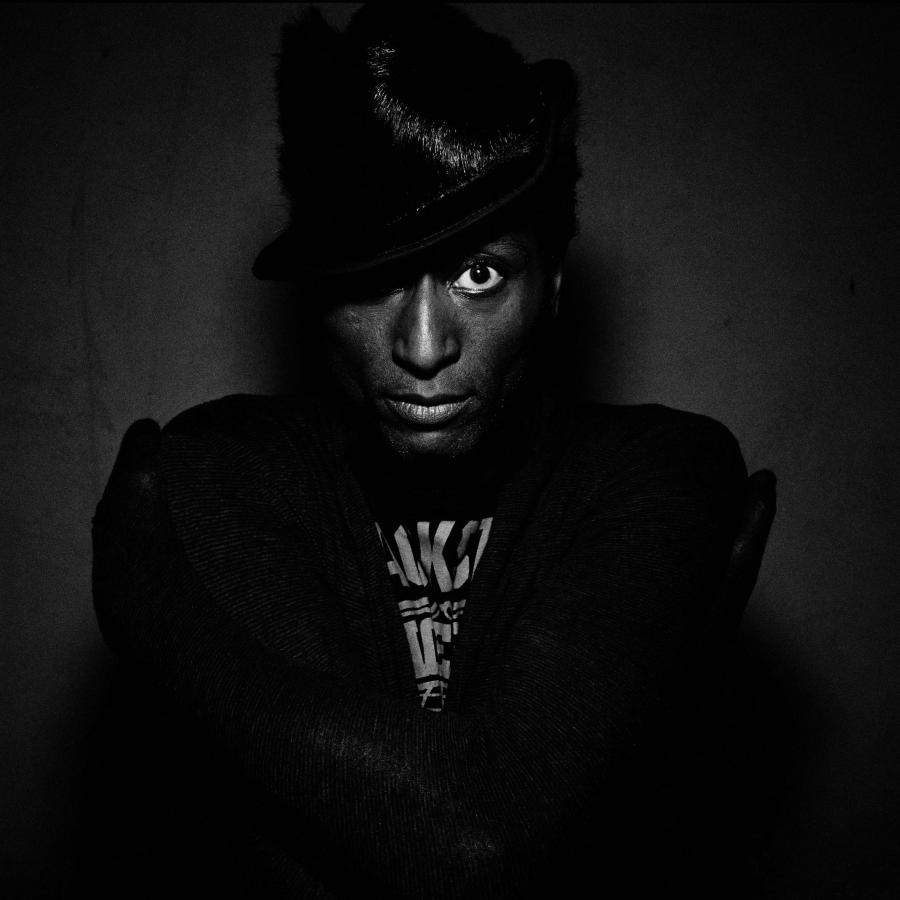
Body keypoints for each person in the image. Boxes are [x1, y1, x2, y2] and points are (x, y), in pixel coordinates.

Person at [91, 4, 776, 898]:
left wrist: (169, 636)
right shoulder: (226, 470)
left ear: (552, 286)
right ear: (316, 294)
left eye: (478, 274)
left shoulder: (658, 474)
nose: (422, 347)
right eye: (375, 276)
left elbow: (474, 844)